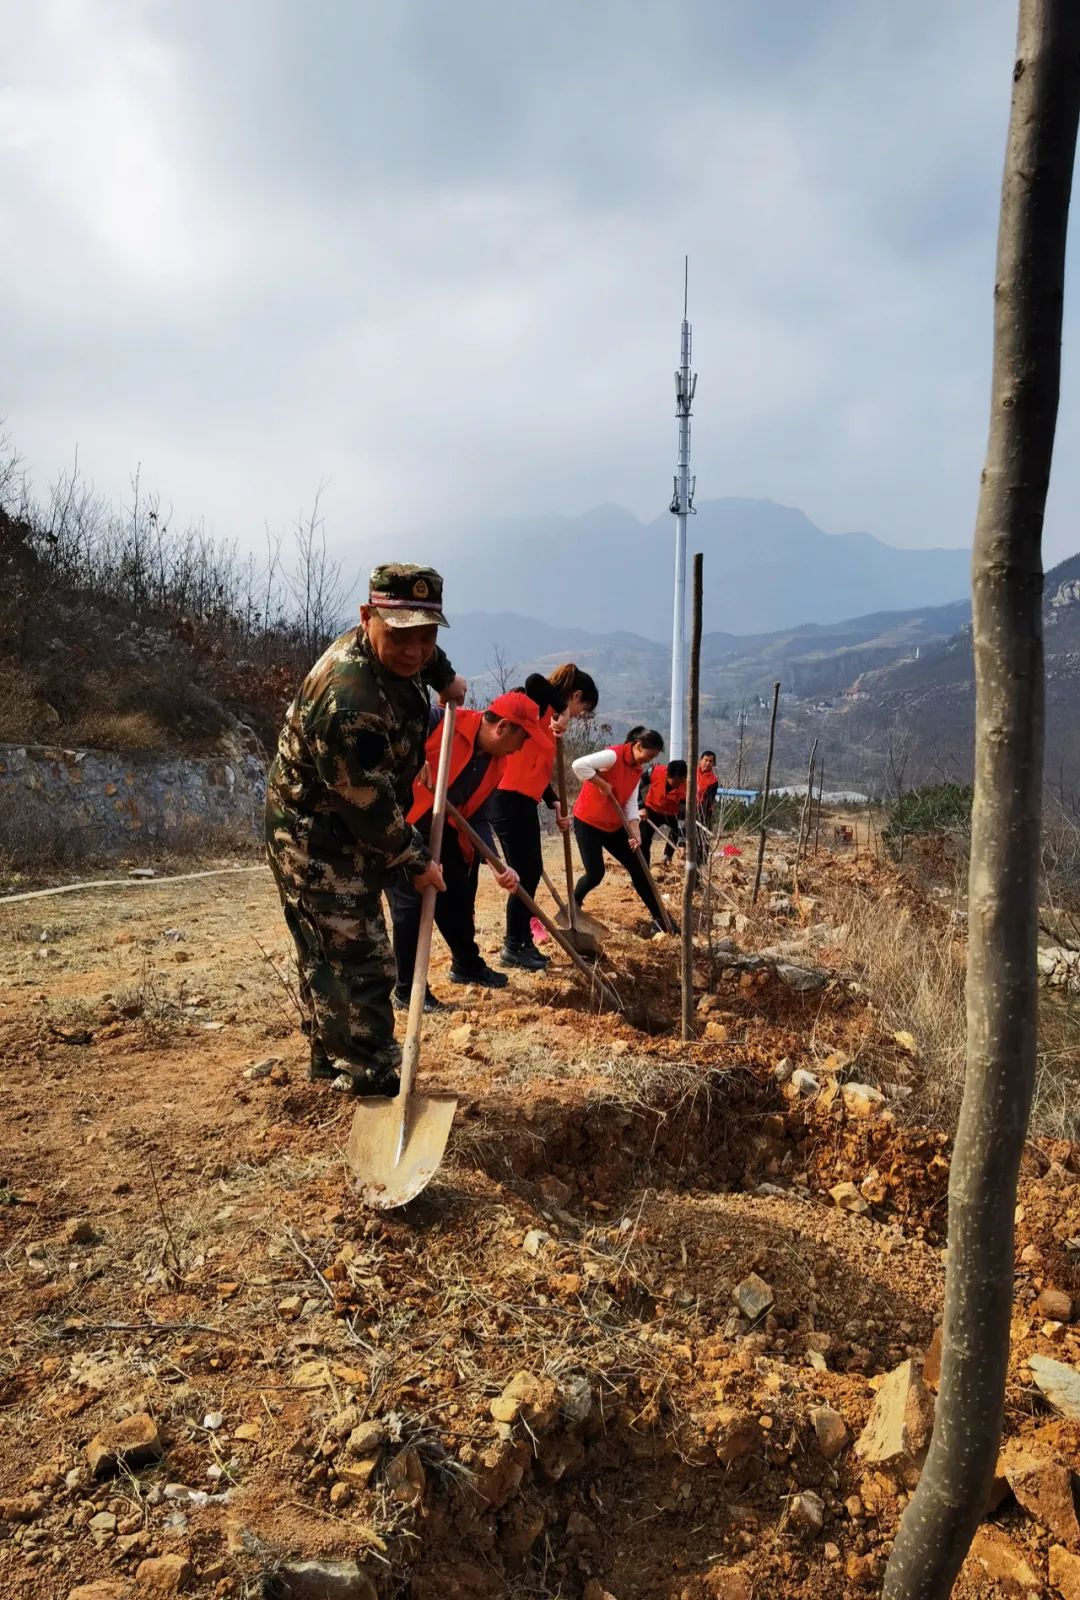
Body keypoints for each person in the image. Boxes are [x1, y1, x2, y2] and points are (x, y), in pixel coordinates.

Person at [265, 564, 466, 1094]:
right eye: (400, 635)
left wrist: (445, 680)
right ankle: (371, 1075)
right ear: (366, 617)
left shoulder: (411, 655)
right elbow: (369, 808)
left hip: (355, 822)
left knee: (334, 950)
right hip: (316, 834)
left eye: (427, 637)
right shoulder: (347, 696)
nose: (413, 650)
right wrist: (417, 860)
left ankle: (332, 1066)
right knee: (357, 956)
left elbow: (425, 655)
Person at [390, 693, 544, 1004]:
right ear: (502, 727)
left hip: (447, 828)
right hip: (401, 823)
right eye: (523, 737)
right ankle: (407, 989)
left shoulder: (497, 763)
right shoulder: (441, 721)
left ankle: (467, 965)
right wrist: (415, 759)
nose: (522, 746)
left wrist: (498, 864)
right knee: (411, 903)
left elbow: (479, 817)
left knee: (459, 892)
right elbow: (396, 727)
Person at [490, 664, 599, 971]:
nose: (577, 715)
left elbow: (535, 768)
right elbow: (533, 680)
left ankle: (522, 941)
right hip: (505, 798)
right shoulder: (536, 705)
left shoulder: (550, 723)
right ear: (574, 696)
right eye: (581, 708)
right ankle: (513, 945)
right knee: (523, 874)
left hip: (523, 800)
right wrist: (562, 710)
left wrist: (553, 802)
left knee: (531, 871)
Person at [571, 730, 670, 932]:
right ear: (638, 745)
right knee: (595, 873)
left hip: (613, 825)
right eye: (649, 755)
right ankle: (574, 903)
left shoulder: (636, 770)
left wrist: (635, 831)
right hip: (588, 822)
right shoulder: (613, 756)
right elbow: (578, 765)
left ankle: (662, 919)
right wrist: (601, 783)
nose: (650, 760)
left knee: (639, 868)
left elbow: (630, 805)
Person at [642, 759, 687, 866]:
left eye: (681, 781)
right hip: (651, 809)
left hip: (672, 813)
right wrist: (640, 807)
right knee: (644, 838)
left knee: (677, 834)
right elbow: (636, 785)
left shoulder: (686, 786)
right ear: (668, 775)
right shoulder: (654, 771)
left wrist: (681, 843)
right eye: (676, 781)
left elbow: (682, 815)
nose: (678, 784)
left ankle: (667, 857)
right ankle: (644, 867)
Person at [697, 750, 719, 828]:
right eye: (706, 760)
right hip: (686, 806)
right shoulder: (691, 772)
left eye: (710, 761)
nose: (707, 763)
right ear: (701, 760)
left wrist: (698, 811)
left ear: (713, 764)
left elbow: (708, 800)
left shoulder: (713, 781)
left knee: (702, 832)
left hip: (703, 810)